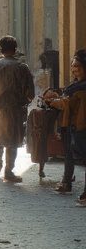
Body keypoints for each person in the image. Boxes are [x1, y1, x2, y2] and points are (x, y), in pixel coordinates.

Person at [0, 35, 36, 182]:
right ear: (15, 49)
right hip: (16, 108)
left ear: (1, 49)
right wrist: (24, 101)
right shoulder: (22, 67)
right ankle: (8, 171)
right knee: (12, 141)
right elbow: (30, 92)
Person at [42, 49, 86, 200]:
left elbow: (67, 103)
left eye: (78, 66)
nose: (74, 69)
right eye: (73, 65)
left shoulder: (81, 87)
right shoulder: (76, 85)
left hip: (79, 127)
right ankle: (67, 181)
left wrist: (54, 101)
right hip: (70, 126)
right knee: (68, 154)